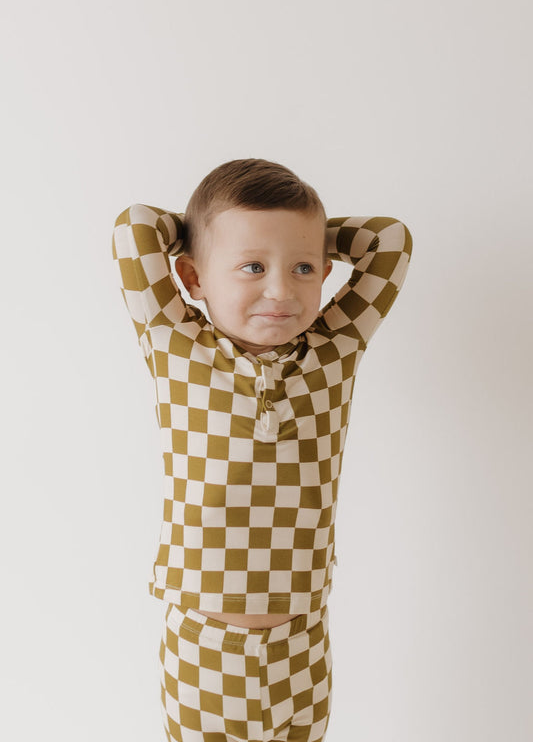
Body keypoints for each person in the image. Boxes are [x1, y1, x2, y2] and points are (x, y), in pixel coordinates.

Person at [111, 158, 413, 742]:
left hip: (302, 639)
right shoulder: (174, 341)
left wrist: (290, 237)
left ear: (326, 271)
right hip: (204, 641)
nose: (281, 290)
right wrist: (201, 226)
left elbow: (390, 242)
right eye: (252, 265)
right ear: (194, 279)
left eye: (304, 268)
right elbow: (134, 226)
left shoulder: (334, 349)